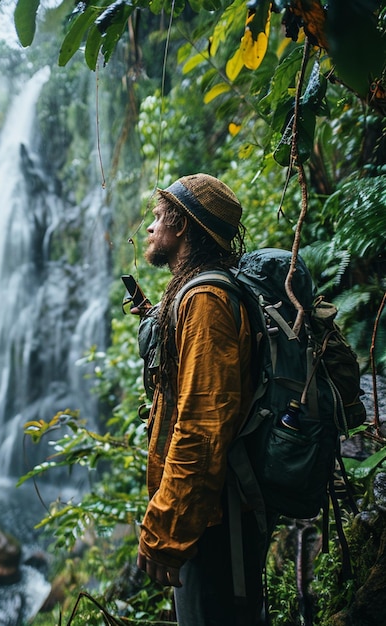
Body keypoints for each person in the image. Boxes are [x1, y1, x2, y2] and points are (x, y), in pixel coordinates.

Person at [131, 173, 268, 625]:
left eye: (157, 218)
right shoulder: (196, 294)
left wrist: (165, 528)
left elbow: (202, 427)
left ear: (183, 226)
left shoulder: (205, 301)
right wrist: (160, 318)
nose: (150, 229)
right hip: (207, 513)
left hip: (216, 519)